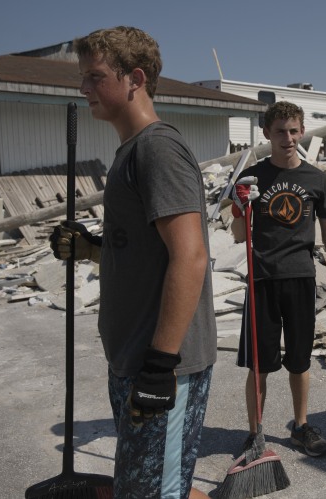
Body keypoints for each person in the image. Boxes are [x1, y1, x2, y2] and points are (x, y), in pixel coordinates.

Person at [49, 26, 216, 498]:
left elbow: (191, 256)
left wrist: (160, 366)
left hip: (162, 367)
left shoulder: (157, 149)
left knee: (151, 493)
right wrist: (90, 248)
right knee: (160, 486)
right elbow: (144, 251)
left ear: (134, 79)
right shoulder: (130, 153)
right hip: (131, 360)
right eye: (83, 78)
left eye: (95, 77)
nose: (84, 89)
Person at [230, 101, 326, 458]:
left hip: (300, 278)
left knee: (300, 360)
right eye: (280, 131)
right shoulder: (251, 177)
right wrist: (240, 205)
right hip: (262, 280)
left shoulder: (315, 178)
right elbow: (238, 234)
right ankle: (255, 434)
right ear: (267, 133)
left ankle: (300, 426)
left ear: (302, 132)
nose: (288, 138)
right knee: (260, 365)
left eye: (294, 130)